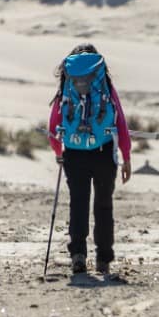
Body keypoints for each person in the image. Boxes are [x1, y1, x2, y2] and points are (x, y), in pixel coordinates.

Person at [48, 43, 132, 278]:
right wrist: (126, 156)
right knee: (104, 205)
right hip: (104, 150)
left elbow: (54, 123)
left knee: (78, 203)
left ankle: (78, 256)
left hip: (74, 151)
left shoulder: (68, 84)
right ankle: (104, 259)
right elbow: (120, 121)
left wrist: (58, 152)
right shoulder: (103, 83)